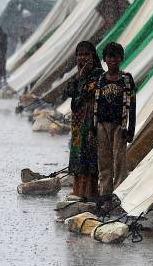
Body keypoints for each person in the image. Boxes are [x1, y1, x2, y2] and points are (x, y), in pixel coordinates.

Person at [93, 42, 136, 199]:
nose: (113, 60)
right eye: (109, 56)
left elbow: (132, 105)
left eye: (116, 56)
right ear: (104, 59)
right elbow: (95, 105)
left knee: (119, 161)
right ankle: (105, 194)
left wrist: (131, 128)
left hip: (120, 125)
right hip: (102, 124)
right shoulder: (100, 80)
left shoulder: (126, 79)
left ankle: (118, 195)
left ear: (121, 58)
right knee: (104, 161)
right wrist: (94, 127)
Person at [64, 41, 104, 199]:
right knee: (77, 154)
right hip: (78, 121)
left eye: (86, 54)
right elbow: (68, 92)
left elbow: (88, 92)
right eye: (80, 55)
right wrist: (80, 76)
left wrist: (82, 77)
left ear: (93, 56)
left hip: (92, 120)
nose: (83, 58)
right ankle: (77, 191)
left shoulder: (99, 75)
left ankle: (89, 193)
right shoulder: (79, 75)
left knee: (89, 154)